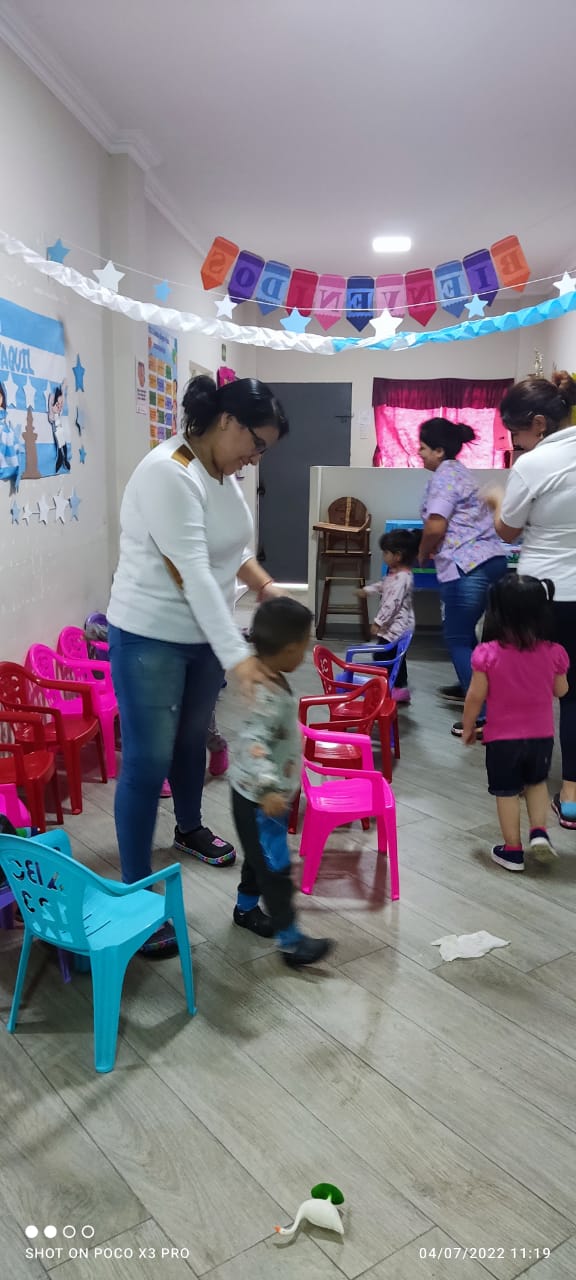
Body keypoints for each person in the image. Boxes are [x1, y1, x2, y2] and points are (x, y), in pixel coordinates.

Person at [107, 375, 288, 957]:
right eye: (256, 443)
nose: (256, 458)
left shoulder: (221, 473)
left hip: (202, 638)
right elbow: (191, 570)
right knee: (146, 761)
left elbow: (231, 551)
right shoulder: (169, 472)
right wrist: (240, 658)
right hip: (151, 637)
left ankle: (187, 829)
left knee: (191, 742)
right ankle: (135, 895)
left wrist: (265, 587)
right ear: (227, 421)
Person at [489, 370, 576, 830]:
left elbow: (508, 531)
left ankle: (527, 775)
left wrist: (497, 500)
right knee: (574, 694)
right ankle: (572, 795)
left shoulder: (533, 464)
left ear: (539, 423)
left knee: (528, 686)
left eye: (515, 432)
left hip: (543, 595)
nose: (515, 441)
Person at [229, 597, 333, 968]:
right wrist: (269, 787)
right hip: (260, 799)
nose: (305, 653)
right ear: (290, 649)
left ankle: (245, 910)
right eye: (305, 646)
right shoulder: (266, 694)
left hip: (259, 796)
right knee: (275, 871)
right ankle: (291, 943)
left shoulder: (269, 674)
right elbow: (253, 742)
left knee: (258, 859)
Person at [462, 574, 569, 872]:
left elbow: (475, 696)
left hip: (502, 740)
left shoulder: (487, 654)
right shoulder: (554, 652)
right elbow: (561, 691)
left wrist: (468, 727)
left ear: (497, 612)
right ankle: (539, 832)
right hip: (541, 738)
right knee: (536, 783)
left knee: (506, 791)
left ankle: (512, 851)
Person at [417, 418, 508, 736]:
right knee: (468, 635)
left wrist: (422, 552)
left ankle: (482, 715)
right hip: (491, 561)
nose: (419, 453)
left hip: (466, 566)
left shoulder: (444, 475)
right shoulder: (460, 471)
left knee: (456, 637)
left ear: (439, 451)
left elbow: (436, 525)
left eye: (423, 448)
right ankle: (470, 687)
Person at [358, 527, 420, 702]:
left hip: (396, 627)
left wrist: (378, 622)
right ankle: (399, 686)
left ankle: (393, 687)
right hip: (396, 626)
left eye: (386, 553)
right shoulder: (395, 575)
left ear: (397, 556)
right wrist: (368, 590)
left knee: (383, 655)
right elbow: (383, 585)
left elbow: (392, 603)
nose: (384, 556)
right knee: (397, 655)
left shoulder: (402, 578)